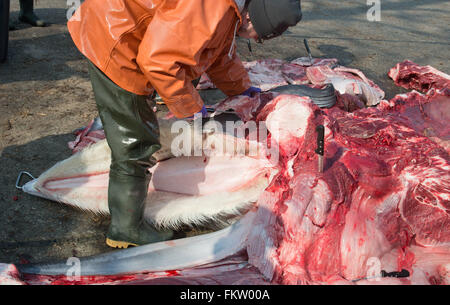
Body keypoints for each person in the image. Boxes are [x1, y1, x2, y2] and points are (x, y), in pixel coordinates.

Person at [67, 0, 302, 249]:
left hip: (133, 35)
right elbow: (159, 62)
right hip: (115, 37)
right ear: (252, 19)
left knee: (149, 111)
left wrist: (243, 90)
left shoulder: (229, 8)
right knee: (136, 141)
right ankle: (125, 228)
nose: (256, 42)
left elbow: (218, 51)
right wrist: (190, 109)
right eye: (260, 38)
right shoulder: (210, 7)